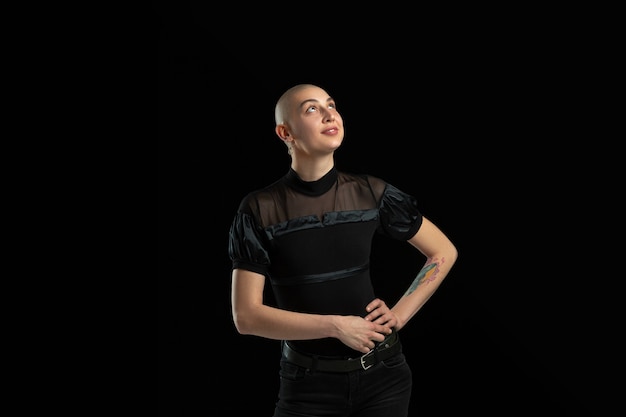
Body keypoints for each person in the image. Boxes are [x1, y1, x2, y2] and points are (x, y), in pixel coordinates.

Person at [228, 83, 458, 417]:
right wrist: (336, 326)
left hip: (385, 378)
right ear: (285, 132)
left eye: (331, 105)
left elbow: (443, 252)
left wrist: (400, 314)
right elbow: (246, 317)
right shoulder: (259, 209)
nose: (329, 113)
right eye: (312, 108)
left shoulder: (371, 192)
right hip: (307, 388)